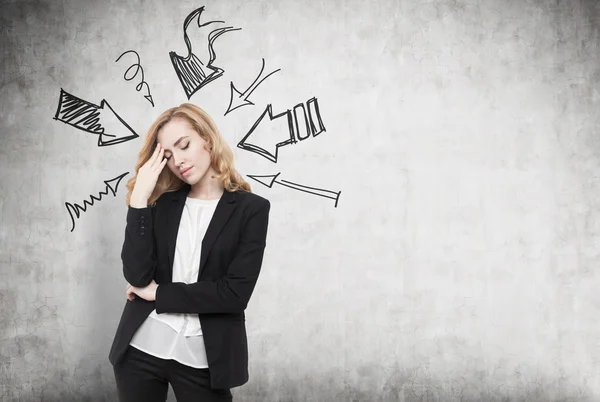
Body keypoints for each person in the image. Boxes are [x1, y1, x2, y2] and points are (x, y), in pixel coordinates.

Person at [108, 103, 271, 402]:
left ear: (207, 139)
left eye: (184, 145)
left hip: (204, 356)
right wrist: (140, 199)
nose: (178, 161)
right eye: (168, 156)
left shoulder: (252, 210)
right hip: (141, 348)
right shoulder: (163, 204)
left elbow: (234, 294)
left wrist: (161, 294)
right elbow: (136, 275)